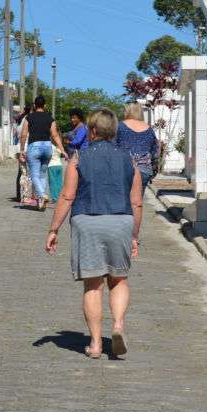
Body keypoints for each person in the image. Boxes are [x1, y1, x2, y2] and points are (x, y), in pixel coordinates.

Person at [46, 108, 143, 359]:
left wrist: (53, 229)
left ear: (91, 130)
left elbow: (67, 196)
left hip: (86, 221)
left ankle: (96, 344)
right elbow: (137, 203)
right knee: (119, 279)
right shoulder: (129, 160)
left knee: (93, 284)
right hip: (120, 220)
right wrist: (134, 235)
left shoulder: (78, 158)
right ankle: (118, 325)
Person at [19, 96, 65, 211]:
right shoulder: (50, 118)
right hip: (47, 147)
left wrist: (21, 150)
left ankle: (42, 195)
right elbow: (54, 135)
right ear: (44, 106)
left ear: (34, 106)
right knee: (43, 175)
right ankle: (41, 203)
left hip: (34, 147)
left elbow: (24, 134)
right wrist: (62, 149)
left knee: (34, 175)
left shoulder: (28, 117)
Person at [115, 102, 159, 193]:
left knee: (123, 201)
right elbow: (155, 152)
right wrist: (154, 168)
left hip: (124, 169)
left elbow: (112, 146)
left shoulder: (120, 126)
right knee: (138, 201)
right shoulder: (149, 129)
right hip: (144, 170)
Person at [15, 103, 32, 201]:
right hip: (26, 148)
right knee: (26, 173)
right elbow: (24, 135)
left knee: (21, 172)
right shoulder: (28, 120)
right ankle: (25, 195)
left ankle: (20, 194)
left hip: (20, 148)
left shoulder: (20, 120)